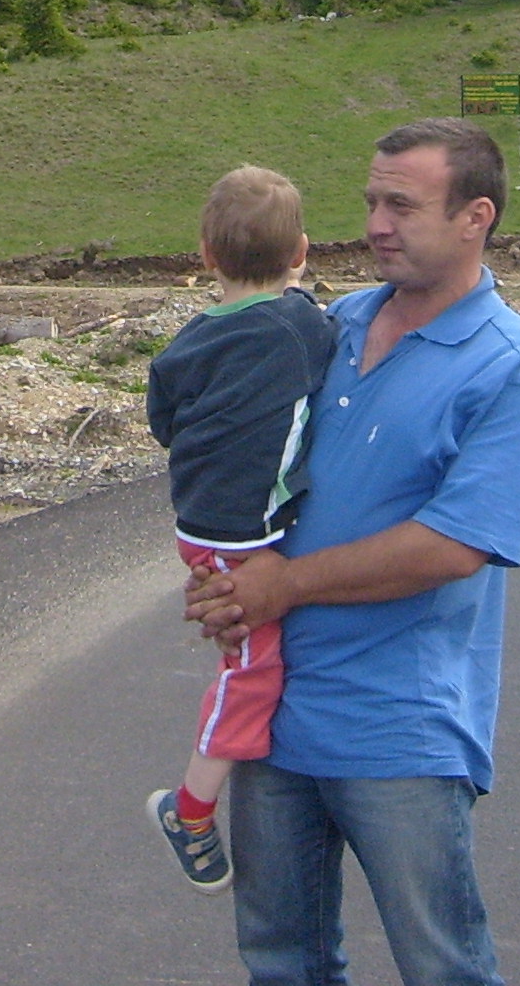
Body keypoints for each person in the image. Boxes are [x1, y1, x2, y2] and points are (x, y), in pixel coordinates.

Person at [186, 119, 520, 986]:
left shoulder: (513, 366)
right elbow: (248, 463)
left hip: (401, 733)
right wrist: (224, 577)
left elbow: (455, 545)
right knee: (283, 962)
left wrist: (281, 586)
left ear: (475, 217)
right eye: (370, 203)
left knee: (443, 967)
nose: (376, 225)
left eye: (402, 206)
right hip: (274, 720)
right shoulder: (332, 324)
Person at [144, 166, 340, 890]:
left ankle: (204, 795)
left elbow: (163, 419)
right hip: (244, 536)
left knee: (245, 648)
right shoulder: (302, 327)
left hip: (199, 520)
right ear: (302, 252)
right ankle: (190, 807)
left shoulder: (189, 341)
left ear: (205, 254)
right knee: (251, 671)